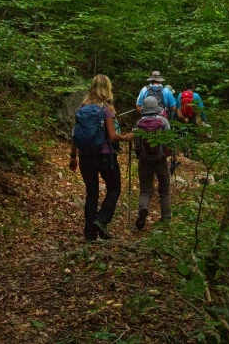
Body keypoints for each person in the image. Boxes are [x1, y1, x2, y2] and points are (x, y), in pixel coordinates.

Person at [69, 75, 133, 242]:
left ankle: (89, 234)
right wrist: (126, 137)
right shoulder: (107, 109)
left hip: (85, 157)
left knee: (92, 193)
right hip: (105, 155)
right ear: (107, 88)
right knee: (114, 187)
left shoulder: (82, 107)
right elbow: (112, 136)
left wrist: (73, 156)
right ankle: (102, 219)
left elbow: (75, 134)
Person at [134, 96, 172, 230]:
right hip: (160, 159)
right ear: (157, 108)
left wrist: (140, 156)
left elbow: (137, 144)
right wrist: (169, 155)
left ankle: (143, 209)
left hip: (145, 160)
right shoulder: (163, 121)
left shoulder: (139, 124)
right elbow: (169, 141)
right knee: (165, 190)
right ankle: (166, 219)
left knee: (145, 190)